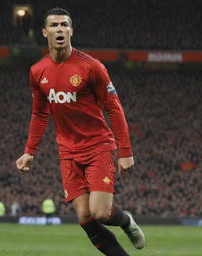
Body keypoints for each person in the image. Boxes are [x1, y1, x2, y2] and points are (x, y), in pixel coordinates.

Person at [16, 7, 145, 256]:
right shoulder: (37, 71)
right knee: (85, 218)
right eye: (54, 25)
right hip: (68, 152)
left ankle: (126, 221)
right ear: (45, 32)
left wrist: (125, 151)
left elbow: (114, 109)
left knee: (100, 213)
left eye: (64, 25)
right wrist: (29, 151)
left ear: (71, 30)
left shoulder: (91, 67)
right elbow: (40, 113)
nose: (60, 29)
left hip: (98, 146)